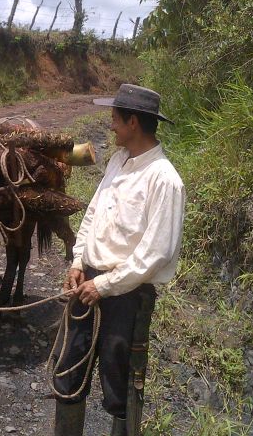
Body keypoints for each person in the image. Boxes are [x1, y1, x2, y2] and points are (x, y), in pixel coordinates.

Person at [50, 84, 185, 436]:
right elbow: (93, 214)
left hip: (127, 295)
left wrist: (105, 285)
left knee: (121, 384)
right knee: (69, 370)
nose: (110, 125)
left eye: (114, 118)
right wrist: (78, 261)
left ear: (133, 123)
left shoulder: (165, 180)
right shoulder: (117, 161)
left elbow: (155, 254)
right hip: (88, 282)